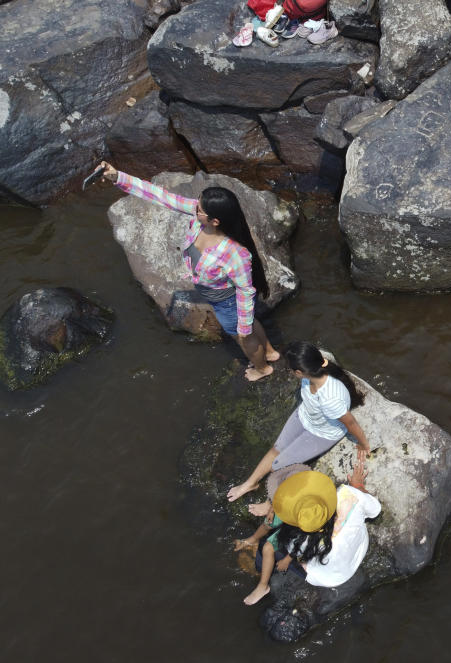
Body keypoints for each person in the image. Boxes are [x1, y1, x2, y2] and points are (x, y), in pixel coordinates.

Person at [99, 162, 279, 380]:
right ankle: (270, 352)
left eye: (200, 209)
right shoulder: (200, 219)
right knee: (250, 325)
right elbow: (161, 196)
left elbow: (245, 290)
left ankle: (263, 368)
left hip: (227, 302)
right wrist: (118, 176)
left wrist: (242, 325)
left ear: (215, 220)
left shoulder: (234, 253)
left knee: (243, 335)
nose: (195, 208)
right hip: (215, 296)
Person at [226, 341, 371, 502]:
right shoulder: (312, 374)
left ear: (299, 372)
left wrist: (363, 443)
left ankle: (270, 506)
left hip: (322, 432)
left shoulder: (331, 398)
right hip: (305, 415)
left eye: (290, 369)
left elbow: (350, 424)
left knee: (277, 466)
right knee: (276, 449)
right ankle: (249, 484)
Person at [242, 457, 380, 597]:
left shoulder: (297, 540)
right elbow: (376, 509)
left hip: (328, 578)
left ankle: (260, 577)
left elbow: (296, 553)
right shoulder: (348, 496)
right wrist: (357, 486)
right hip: (358, 551)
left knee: (267, 546)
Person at [234, 465, 340, 605]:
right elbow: (273, 514)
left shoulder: (313, 526)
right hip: (296, 518)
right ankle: (253, 540)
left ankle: (263, 585)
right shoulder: (310, 498)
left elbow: (302, 546)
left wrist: (287, 559)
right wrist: (272, 507)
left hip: (301, 531)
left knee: (267, 548)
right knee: (269, 522)